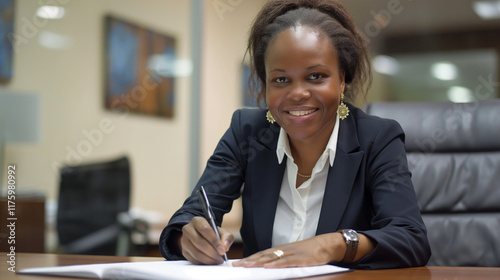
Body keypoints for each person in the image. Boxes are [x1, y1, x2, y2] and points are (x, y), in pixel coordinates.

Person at [159, 0, 431, 269]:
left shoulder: (377, 138)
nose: (297, 93)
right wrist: (189, 238)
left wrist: (331, 245)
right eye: (281, 80)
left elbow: (410, 238)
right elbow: (189, 217)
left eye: (315, 76)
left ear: (342, 79)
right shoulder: (247, 132)